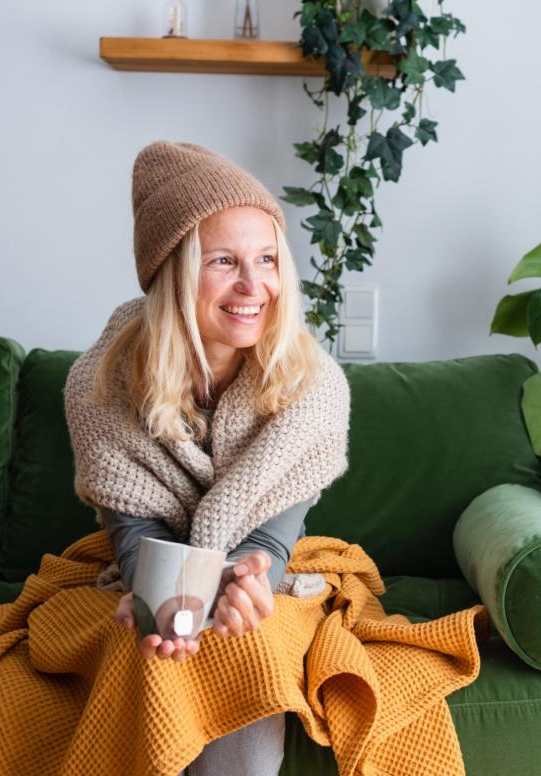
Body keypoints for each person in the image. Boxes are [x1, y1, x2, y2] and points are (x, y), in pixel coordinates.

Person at [62, 141, 351, 775]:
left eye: (268, 259)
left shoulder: (312, 384)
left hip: (258, 566)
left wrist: (246, 584)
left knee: (242, 644)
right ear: (173, 272)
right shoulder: (101, 386)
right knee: (150, 645)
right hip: (149, 561)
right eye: (224, 261)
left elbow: (273, 539)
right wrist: (156, 592)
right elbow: (134, 531)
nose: (255, 287)